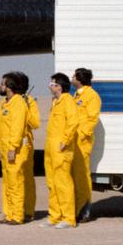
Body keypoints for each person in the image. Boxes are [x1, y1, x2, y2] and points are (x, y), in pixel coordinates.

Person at [0, 72, 29, 225]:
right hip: (4, 147)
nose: (0, 86)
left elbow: (17, 128)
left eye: (2, 84)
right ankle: (8, 213)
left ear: (9, 86)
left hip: (15, 149)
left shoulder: (18, 103)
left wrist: (13, 148)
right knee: (7, 182)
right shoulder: (4, 103)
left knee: (15, 182)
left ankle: (17, 215)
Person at [43, 73, 78, 228]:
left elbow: (73, 122)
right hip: (51, 148)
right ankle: (55, 216)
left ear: (60, 86)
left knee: (63, 183)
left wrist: (65, 141)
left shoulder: (67, 101)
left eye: (53, 84)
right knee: (52, 183)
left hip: (61, 149)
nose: (50, 86)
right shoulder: (55, 102)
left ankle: (68, 218)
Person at [72, 67, 101, 222]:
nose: (72, 79)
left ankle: (84, 211)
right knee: (75, 177)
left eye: (74, 76)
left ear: (79, 79)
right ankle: (76, 209)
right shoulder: (76, 95)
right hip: (73, 141)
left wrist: (83, 134)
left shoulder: (91, 96)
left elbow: (92, 118)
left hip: (82, 142)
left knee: (82, 176)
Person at [15, 72, 39, 223]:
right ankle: (14, 211)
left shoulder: (29, 101)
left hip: (25, 143)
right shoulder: (8, 101)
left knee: (27, 178)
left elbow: (35, 123)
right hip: (10, 143)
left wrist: (27, 107)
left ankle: (29, 210)